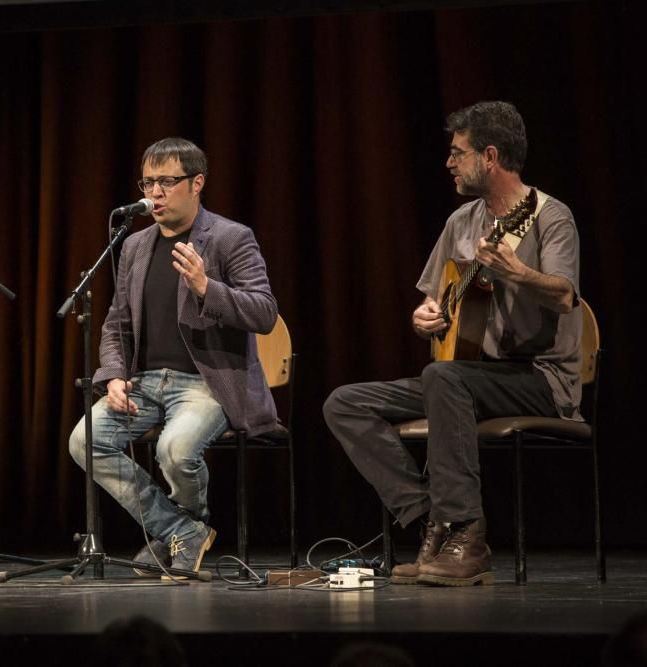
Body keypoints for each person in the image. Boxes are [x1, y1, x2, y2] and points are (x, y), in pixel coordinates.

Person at [323, 101, 581, 586]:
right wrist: (424, 318)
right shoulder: (461, 222)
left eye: (457, 153)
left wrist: (518, 272)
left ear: (489, 156)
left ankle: (468, 535)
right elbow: (431, 300)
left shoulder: (549, 216)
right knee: (346, 403)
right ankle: (432, 520)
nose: (448, 162)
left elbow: (566, 294)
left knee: (443, 376)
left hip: (539, 377)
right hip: (466, 378)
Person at [68, 137, 279, 575]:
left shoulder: (229, 237)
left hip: (207, 383)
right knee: (84, 441)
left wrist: (208, 288)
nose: (154, 194)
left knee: (175, 448)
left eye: (167, 181)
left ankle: (180, 533)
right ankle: (180, 530)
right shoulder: (134, 245)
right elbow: (117, 324)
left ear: (197, 183)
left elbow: (264, 311)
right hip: (145, 382)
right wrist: (113, 376)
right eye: (148, 182)